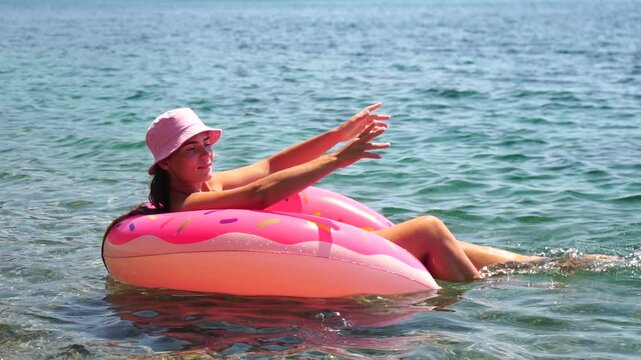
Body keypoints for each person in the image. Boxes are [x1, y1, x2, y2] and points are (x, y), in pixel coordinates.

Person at [104, 103, 556, 282]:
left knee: (461, 244)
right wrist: (342, 159)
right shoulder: (191, 202)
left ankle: (550, 266)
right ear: (165, 163)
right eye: (191, 150)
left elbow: (271, 165)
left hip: (329, 248)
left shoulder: (209, 182)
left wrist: (338, 134)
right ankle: (482, 299)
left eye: (207, 145)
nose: (206, 155)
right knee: (430, 229)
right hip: (321, 259)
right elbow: (262, 193)